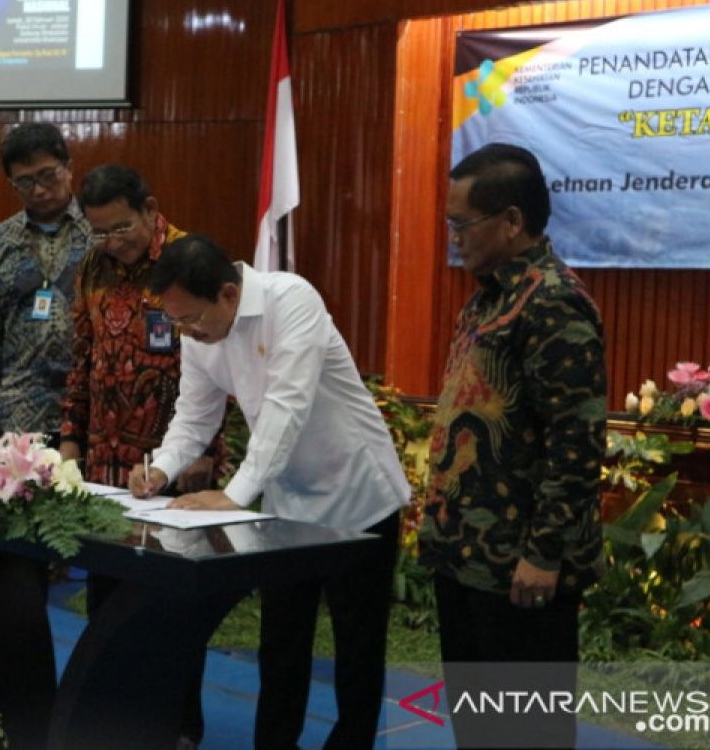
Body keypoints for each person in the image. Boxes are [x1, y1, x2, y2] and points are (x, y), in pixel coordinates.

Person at [129, 234, 411, 750]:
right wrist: (161, 471)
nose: (186, 332)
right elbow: (194, 415)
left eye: (192, 318)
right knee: (281, 640)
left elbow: (288, 408)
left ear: (230, 295)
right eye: (177, 322)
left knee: (357, 646)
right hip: (287, 496)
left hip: (357, 492)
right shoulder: (199, 334)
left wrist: (235, 497)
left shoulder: (292, 299)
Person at [418, 143, 606, 749]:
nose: (453, 237)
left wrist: (545, 553)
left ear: (513, 222)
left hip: (520, 568)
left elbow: (575, 445)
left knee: (528, 734)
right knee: (479, 730)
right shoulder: (488, 297)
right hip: (467, 555)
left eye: (461, 223)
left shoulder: (554, 302)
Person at [60, 165, 223, 749]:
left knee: (174, 605)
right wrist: (70, 437)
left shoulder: (188, 260)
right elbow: (81, 355)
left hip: (176, 463)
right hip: (107, 463)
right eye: (99, 231)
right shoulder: (92, 267)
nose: (111, 242)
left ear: (150, 208)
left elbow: (222, 362)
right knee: (110, 598)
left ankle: (180, 724)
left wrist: (207, 452)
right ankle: (114, 719)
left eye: (121, 227)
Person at [0, 122, 89, 750]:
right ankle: (25, 709)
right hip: (15, 431)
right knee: (15, 577)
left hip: (89, 425)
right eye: (23, 182)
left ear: (69, 165)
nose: (38, 190)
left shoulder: (102, 230)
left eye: (47, 175)